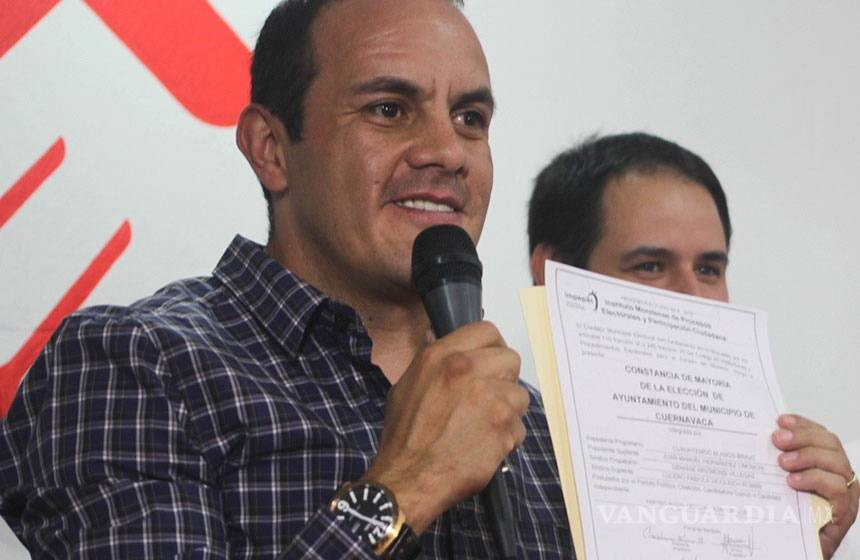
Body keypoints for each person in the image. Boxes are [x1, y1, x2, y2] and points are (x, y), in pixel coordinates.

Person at [0, 1, 573, 558]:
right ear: (271, 149)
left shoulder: (547, 430)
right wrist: (409, 486)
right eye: (389, 109)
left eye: (470, 119)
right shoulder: (137, 364)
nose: (448, 152)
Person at [527, 131, 859, 559]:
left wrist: (804, 550)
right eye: (650, 266)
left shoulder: (785, 478)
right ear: (553, 274)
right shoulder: (499, 459)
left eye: (708, 270)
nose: (693, 296)